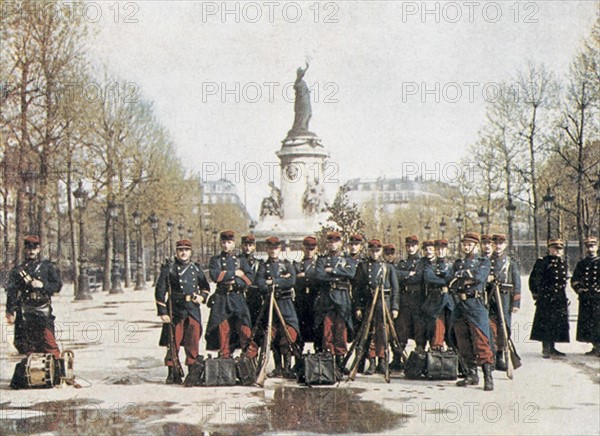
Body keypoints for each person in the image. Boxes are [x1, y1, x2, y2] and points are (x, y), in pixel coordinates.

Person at [155, 239, 210, 384]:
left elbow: (205, 287)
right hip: (176, 309)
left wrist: (201, 297)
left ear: (190, 252)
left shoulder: (196, 269)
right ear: (176, 252)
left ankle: (193, 371)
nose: (183, 253)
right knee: (174, 341)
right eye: (180, 250)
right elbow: (160, 291)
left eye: (186, 250)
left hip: (192, 309)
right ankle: (173, 371)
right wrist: (163, 312)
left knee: (193, 340)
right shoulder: (169, 269)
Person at [5, 236, 62, 359]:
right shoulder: (18, 270)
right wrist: (10, 311)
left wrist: (42, 285)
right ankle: (31, 376)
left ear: (39, 249)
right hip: (25, 311)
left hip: (43, 309)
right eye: (28, 248)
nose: (31, 251)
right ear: (25, 250)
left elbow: (57, 285)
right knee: (28, 348)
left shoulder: (47, 267)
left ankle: (57, 374)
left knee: (50, 344)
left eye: (34, 248)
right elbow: (12, 291)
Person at [450, 232, 494, 391]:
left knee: (481, 340)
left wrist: (462, 277)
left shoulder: (483, 262)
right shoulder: (458, 263)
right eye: (464, 244)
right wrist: (466, 277)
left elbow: (480, 277)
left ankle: (488, 377)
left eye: (469, 244)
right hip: (460, 305)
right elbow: (451, 280)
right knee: (463, 341)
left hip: (475, 304)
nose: (466, 247)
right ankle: (471, 374)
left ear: (476, 246)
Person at [205, 230, 259, 359]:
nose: (226, 245)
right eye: (223, 242)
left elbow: (250, 278)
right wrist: (235, 273)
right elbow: (215, 276)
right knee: (223, 330)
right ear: (220, 243)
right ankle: (225, 358)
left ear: (234, 244)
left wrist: (236, 280)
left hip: (237, 297)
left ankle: (249, 356)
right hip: (222, 298)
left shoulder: (240, 260)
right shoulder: (215, 260)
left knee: (244, 328)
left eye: (229, 242)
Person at [353, 239, 399, 374]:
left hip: (384, 302)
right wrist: (358, 307)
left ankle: (383, 362)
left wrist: (395, 307)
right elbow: (357, 289)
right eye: (372, 251)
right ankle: (372, 362)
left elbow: (395, 289)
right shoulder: (363, 267)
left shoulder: (388, 267)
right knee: (370, 333)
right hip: (369, 302)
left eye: (377, 251)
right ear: (368, 251)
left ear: (381, 252)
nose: (374, 253)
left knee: (383, 332)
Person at [315, 231, 358, 373]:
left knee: (341, 330)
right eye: (330, 242)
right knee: (328, 330)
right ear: (327, 244)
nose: (333, 244)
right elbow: (319, 276)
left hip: (342, 298)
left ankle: (340, 361)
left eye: (336, 242)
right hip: (327, 299)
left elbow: (351, 274)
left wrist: (332, 270)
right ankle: (329, 360)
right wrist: (338, 276)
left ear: (340, 243)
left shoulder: (348, 260)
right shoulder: (322, 260)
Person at [256, 237, 299, 378]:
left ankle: (287, 367)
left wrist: (273, 281)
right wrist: (281, 280)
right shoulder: (263, 266)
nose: (273, 251)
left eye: (276, 248)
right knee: (271, 336)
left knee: (287, 335)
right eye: (270, 248)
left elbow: (292, 280)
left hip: (285, 304)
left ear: (279, 249)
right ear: (267, 250)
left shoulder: (287, 264)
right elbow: (260, 283)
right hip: (270, 305)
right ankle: (278, 367)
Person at [529, 239, 570, 358]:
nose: (557, 251)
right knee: (545, 322)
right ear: (549, 249)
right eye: (554, 248)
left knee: (556, 322)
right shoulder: (542, 262)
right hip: (546, 297)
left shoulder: (562, 263)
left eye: (559, 249)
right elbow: (534, 279)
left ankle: (552, 347)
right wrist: (536, 294)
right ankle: (546, 348)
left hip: (559, 298)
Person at [390, 235, 426, 371]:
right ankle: (397, 359)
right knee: (401, 331)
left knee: (419, 332)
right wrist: (407, 275)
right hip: (405, 300)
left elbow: (420, 276)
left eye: (413, 246)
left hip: (418, 300)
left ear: (417, 246)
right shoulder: (402, 263)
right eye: (408, 246)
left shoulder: (422, 262)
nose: (410, 248)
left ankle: (419, 360)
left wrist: (406, 275)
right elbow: (395, 274)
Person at [487, 234, 521, 370]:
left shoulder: (510, 262)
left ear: (505, 245)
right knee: (491, 327)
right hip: (490, 298)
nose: (498, 246)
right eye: (495, 244)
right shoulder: (486, 261)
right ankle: (492, 356)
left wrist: (516, 303)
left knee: (504, 328)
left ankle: (501, 355)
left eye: (500, 244)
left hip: (505, 298)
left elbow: (516, 283)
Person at [422, 239, 454, 351]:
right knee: (436, 327)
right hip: (435, 299)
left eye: (442, 249)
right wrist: (446, 281)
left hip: (451, 300)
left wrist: (440, 279)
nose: (440, 251)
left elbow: (454, 277)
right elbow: (428, 278)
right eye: (438, 249)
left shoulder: (452, 265)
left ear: (447, 250)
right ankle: (436, 351)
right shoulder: (430, 265)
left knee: (452, 327)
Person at [570, 237, 600, 356]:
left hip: (598, 298)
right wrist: (579, 289)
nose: (590, 249)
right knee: (588, 322)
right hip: (586, 298)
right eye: (588, 246)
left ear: (597, 247)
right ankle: (595, 346)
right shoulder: (582, 264)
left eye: (593, 246)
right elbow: (575, 279)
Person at [293, 236, 320, 352]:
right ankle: (299, 362)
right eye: (307, 249)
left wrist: (304, 276)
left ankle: (319, 360)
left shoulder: (319, 264)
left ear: (316, 249)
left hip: (315, 300)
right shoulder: (297, 265)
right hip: (301, 300)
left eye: (312, 249)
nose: (309, 251)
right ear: (303, 249)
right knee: (300, 332)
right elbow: (293, 279)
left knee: (317, 330)